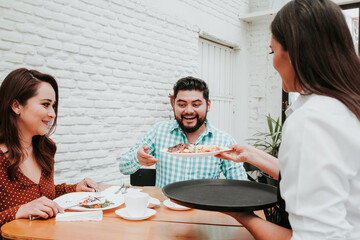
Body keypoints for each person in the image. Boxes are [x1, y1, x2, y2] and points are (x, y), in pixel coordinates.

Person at [216, 0, 360, 239]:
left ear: (293, 52)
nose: (273, 61)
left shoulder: (312, 121)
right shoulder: (346, 106)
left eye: (273, 50)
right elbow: (324, 178)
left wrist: (243, 214)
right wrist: (251, 155)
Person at [0, 68, 99, 228]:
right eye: (45, 104)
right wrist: (19, 211)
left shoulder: (45, 149)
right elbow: (28, 205)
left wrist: (75, 188)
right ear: (16, 106)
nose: (52, 114)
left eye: (53, 106)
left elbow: (45, 196)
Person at [119, 76, 247, 187]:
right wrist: (138, 158)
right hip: (167, 210)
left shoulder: (223, 140)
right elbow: (123, 166)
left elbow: (241, 184)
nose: (189, 111)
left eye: (196, 105)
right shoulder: (159, 131)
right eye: (182, 105)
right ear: (172, 103)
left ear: (208, 105)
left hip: (203, 211)